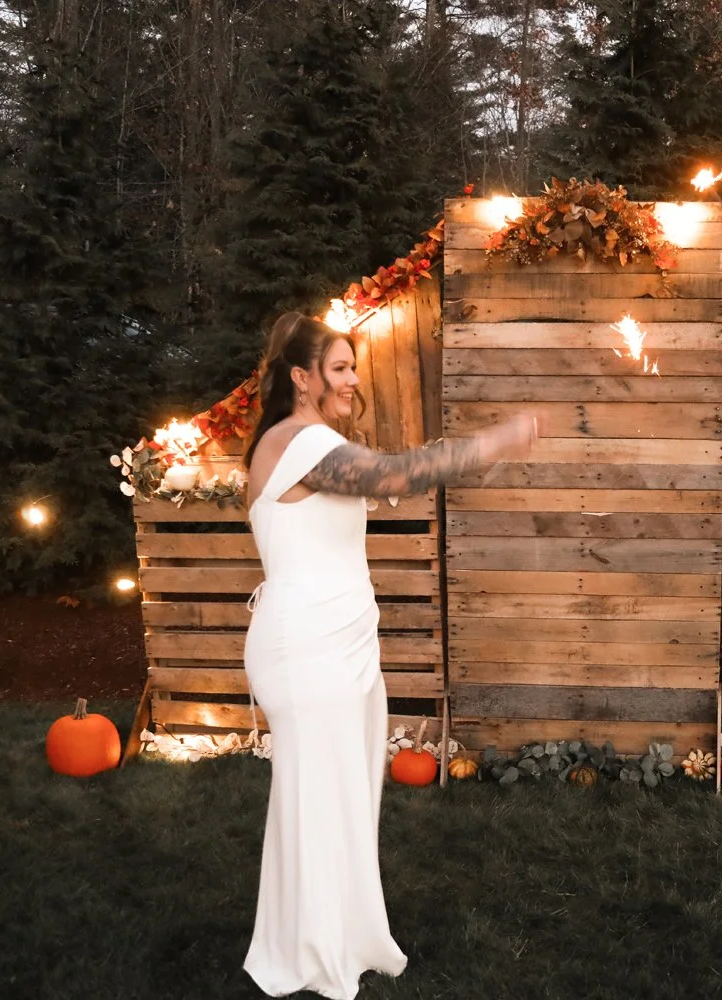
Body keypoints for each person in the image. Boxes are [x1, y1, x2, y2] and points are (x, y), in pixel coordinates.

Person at [239, 311, 536, 998]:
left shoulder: (308, 442)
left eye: (352, 367)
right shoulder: (297, 441)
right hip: (306, 645)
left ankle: (337, 938)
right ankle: (307, 954)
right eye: (339, 369)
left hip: (337, 638)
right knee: (317, 798)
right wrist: (498, 437)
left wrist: (484, 454)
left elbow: (394, 480)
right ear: (302, 378)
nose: (353, 380)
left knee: (341, 798)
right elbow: (400, 474)